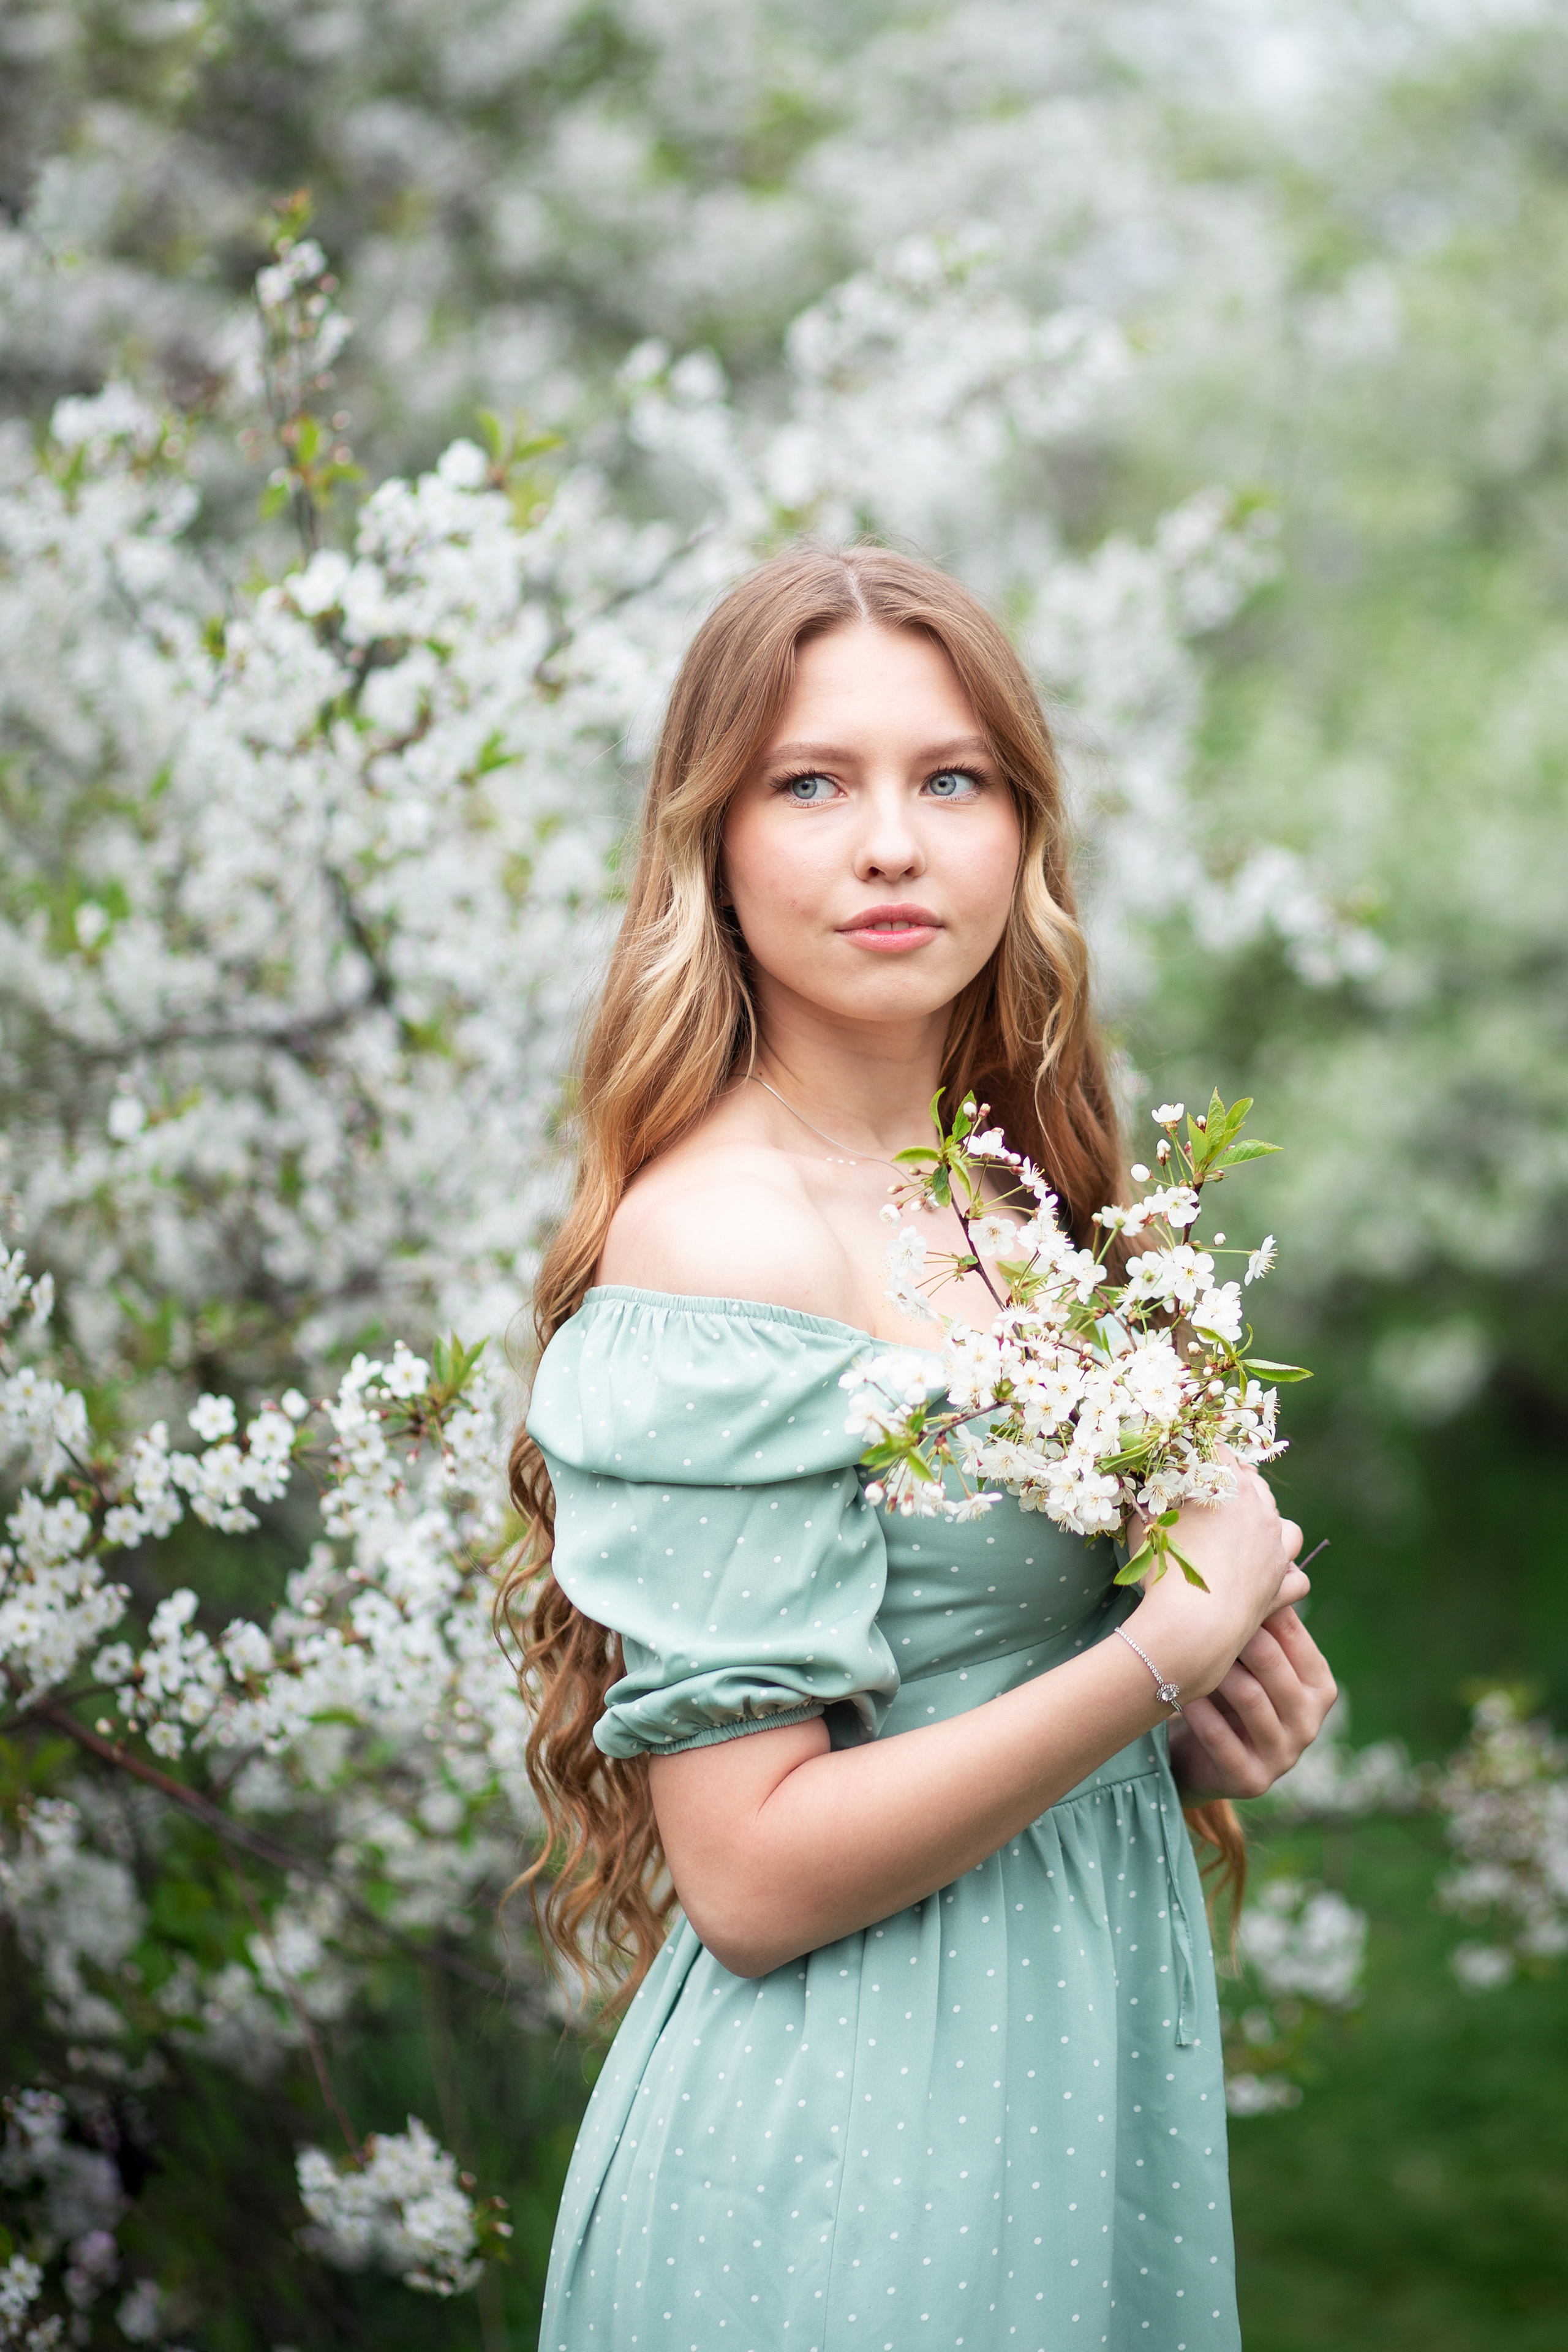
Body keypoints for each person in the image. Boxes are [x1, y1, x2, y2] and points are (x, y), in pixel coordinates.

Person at [503, 543, 1337, 2352]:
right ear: (711, 843)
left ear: (1023, 833)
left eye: (950, 778)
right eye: (813, 784)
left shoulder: (1022, 1197)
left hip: (1070, 2080)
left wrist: (1203, 1719)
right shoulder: (726, 1241)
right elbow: (751, 1873)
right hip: (858, 2158)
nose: (893, 843)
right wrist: (1152, 1659)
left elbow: (986, 1684)